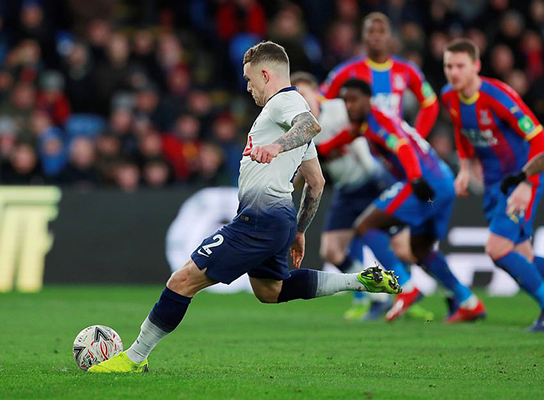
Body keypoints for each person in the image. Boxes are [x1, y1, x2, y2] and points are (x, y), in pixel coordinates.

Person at [88, 42, 401, 373]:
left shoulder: (286, 102)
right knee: (270, 291)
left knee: (182, 281)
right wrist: (299, 230)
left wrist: (275, 147)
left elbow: (311, 126)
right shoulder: (282, 115)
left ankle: (134, 359)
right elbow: (316, 181)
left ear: (266, 74)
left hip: (260, 219)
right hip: (278, 219)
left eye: (250, 80)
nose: (249, 88)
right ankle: (359, 281)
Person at [331, 78, 484, 323]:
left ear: (368, 100)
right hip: (443, 180)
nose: (349, 106)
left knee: (365, 227)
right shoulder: (366, 124)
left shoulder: (378, 122)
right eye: (345, 100)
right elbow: (347, 136)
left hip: (425, 180)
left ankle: (407, 286)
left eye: (354, 100)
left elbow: (403, 147)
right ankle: (467, 301)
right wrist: (321, 148)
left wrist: (414, 179)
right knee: (420, 250)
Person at [320, 12, 439, 320]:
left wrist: (416, 137)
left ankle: (405, 292)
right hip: (363, 162)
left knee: (381, 231)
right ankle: (380, 295)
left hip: (394, 163)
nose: (375, 36)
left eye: (381, 30)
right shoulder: (348, 71)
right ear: (363, 36)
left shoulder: (406, 70)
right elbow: (320, 102)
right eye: (369, 31)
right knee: (364, 230)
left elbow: (430, 102)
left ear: (390, 36)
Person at [292, 71, 433, 321]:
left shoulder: (340, 108)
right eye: (296, 97)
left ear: (317, 93)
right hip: (347, 190)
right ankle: (379, 296)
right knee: (332, 251)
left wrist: (375, 175)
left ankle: (410, 291)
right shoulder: (298, 130)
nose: (301, 101)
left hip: (371, 181)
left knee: (397, 244)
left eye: (304, 93)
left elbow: (359, 137)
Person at [441, 38, 544, 332]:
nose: (454, 72)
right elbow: (462, 132)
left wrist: (526, 183)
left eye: (460, 66)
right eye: (449, 66)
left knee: (497, 248)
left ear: (476, 66)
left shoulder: (498, 96)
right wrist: (463, 168)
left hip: (522, 178)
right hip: (493, 183)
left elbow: (538, 138)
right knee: (521, 255)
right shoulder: (450, 96)